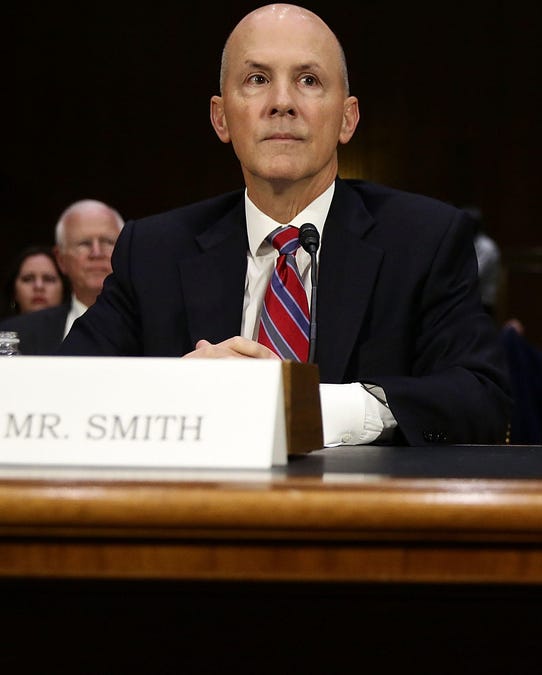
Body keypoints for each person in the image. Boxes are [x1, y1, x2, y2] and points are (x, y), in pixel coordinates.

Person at [57, 4, 511, 447]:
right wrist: (185, 392)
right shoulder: (154, 250)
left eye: (308, 81)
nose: (281, 103)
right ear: (221, 118)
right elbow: (61, 390)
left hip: (364, 516)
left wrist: (305, 406)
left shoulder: (423, 240)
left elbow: (480, 399)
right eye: (257, 80)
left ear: (347, 118)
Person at [0, 200, 123, 354]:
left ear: (125, 252)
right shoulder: (16, 334)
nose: (96, 253)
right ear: (61, 259)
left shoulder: (153, 327)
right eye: (84, 243)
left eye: (107, 242)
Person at [0, 245, 66, 319]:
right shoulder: (3, 329)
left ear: (63, 289)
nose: (39, 286)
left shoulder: (78, 329)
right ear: (14, 292)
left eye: (48, 279)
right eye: (28, 279)